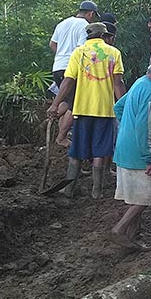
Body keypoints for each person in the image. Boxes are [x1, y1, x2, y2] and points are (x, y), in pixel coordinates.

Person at [48, 22, 127, 199]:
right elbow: (118, 83)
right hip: (105, 110)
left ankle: (68, 190)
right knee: (100, 150)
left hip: (82, 109)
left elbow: (68, 81)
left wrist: (55, 104)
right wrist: (124, 106)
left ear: (87, 35)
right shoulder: (114, 53)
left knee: (77, 150)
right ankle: (97, 191)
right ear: (104, 35)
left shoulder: (79, 52)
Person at [109, 54, 151, 249]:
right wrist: (150, 158)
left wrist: (127, 128)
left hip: (124, 148)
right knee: (149, 195)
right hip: (137, 154)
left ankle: (131, 239)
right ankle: (119, 230)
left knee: (138, 196)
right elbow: (146, 128)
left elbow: (118, 107)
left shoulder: (139, 82)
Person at [49, 0, 100, 148]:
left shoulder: (62, 23)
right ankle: (61, 137)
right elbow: (81, 49)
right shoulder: (84, 26)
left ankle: (56, 115)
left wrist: (61, 55)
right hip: (71, 69)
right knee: (77, 104)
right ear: (90, 13)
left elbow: (52, 44)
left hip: (57, 67)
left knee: (68, 100)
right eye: (94, 16)